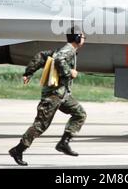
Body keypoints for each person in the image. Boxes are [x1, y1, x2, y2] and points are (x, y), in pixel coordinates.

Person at [8, 27, 87, 166]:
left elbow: (41, 56)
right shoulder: (67, 51)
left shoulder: (67, 50)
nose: (84, 39)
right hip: (53, 96)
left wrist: (29, 72)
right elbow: (59, 60)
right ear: (77, 38)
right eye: (83, 37)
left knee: (80, 113)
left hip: (63, 95)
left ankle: (64, 143)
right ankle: (18, 150)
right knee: (41, 125)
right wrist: (69, 73)